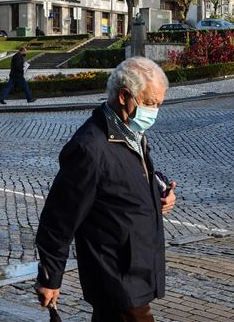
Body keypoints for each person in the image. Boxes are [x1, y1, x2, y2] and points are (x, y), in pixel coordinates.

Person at [34, 56, 176, 322]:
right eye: (149, 103)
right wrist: (50, 278)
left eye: (158, 104)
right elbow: (59, 218)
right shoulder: (90, 148)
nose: (154, 112)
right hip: (116, 276)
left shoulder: (131, 133)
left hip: (137, 267)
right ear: (124, 96)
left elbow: (128, 175)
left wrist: (159, 192)